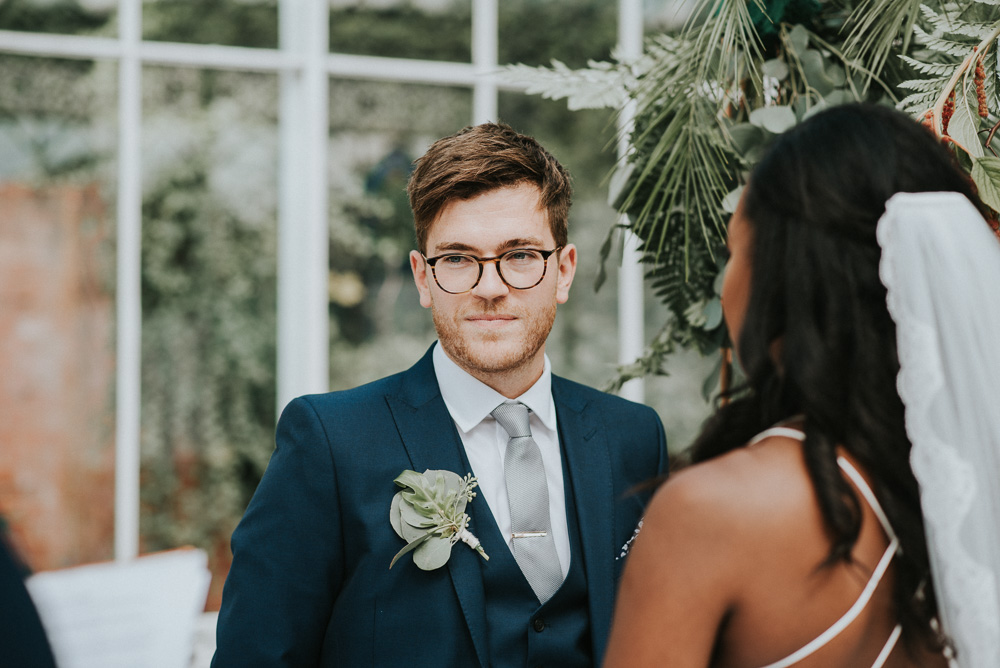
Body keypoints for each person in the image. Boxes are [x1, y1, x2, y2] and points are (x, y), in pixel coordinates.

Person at [212, 121, 668, 667]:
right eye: (457, 259)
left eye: (521, 255)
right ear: (423, 278)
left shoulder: (632, 437)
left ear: (564, 271)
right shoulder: (330, 442)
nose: (490, 286)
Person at [603, 103, 1000, 668]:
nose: (724, 287)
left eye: (732, 250)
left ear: (785, 277)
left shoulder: (713, 512)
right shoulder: (969, 492)